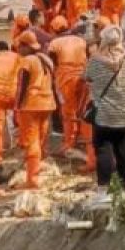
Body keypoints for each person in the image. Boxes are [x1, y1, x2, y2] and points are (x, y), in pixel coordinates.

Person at [84, 26, 125, 200]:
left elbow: (85, 77)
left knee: (103, 150)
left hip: (105, 115)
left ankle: (103, 191)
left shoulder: (95, 61)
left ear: (103, 41)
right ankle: (124, 191)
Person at [14, 31, 58, 189]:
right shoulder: (46, 60)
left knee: (32, 141)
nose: (18, 49)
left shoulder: (27, 61)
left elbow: (21, 86)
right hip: (48, 103)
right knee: (41, 139)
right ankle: (38, 170)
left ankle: (32, 179)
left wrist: (17, 107)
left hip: (32, 104)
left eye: (20, 46)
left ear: (26, 46)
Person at [47, 18, 91, 161]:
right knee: (82, 110)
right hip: (83, 77)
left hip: (64, 79)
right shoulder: (81, 40)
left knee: (68, 112)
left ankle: (69, 143)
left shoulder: (54, 43)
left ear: (54, 30)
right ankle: (85, 141)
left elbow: (52, 62)